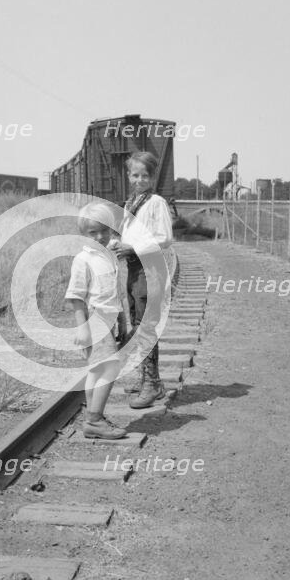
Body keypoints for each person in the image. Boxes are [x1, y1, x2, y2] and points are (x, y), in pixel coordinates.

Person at [112, 151, 174, 409]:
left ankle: (153, 385)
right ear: (128, 175)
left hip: (150, 270)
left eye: (145, 176)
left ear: (152, 177)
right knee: (139, 325)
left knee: (146, 326)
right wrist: (119, 243)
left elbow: (165, 238)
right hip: (135, 270)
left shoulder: (156, 202)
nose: (139, 180)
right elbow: (132, 237)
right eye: (135, 175)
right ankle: (148, 378)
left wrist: (133, 249)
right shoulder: (131, 203)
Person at [65, 202, 128, 439]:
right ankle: (95, 420)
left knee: (96, 370)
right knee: (111, 367)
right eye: (93, 232)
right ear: (84, 234)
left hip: (108, 319)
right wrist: (82, 328)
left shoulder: (109, 255)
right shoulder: (83, 259)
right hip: (94, 319)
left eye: (105, 230)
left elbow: (113, 292)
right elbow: (75, 297)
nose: (100, 236)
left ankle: (92, 418)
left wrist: (121, 321)